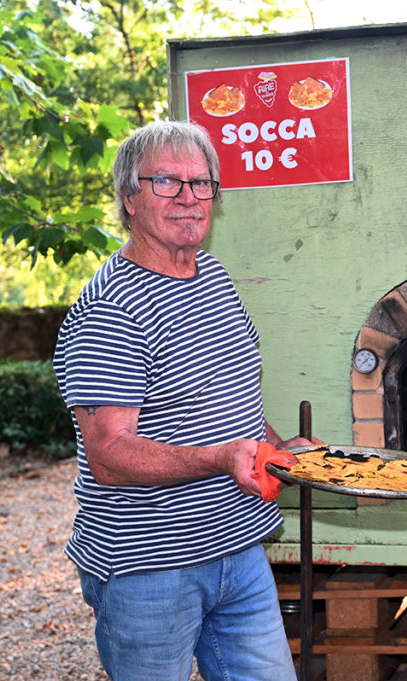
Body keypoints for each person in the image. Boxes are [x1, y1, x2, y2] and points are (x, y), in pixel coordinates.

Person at [53, 120, 316, 680]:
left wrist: (276, 447)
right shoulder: (111, 308)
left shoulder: (213, 277)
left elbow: (230, 396)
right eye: (166, 183)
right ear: (129, 197)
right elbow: (109, 456)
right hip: (148, 569)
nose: (188, 197)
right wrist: (221, 458)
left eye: (201, 184)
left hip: (239, 550)